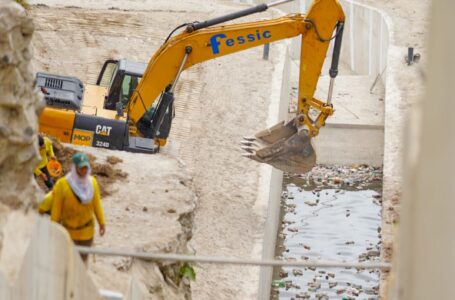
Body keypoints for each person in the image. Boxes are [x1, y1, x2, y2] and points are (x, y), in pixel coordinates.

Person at [51, 152, 106, 263]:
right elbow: (56, 209)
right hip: (68, 233)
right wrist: (53, 228)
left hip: (86, 233)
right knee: (67, 263)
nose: (84, 171)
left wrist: (102, 223)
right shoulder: (62, 185)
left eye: (86, 167)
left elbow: (97, 204)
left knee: (81, 264)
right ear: (74, 168)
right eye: (81, 168)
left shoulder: (93, 183)